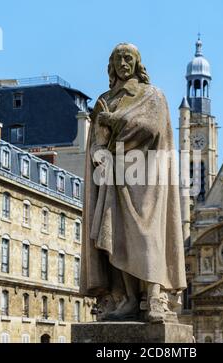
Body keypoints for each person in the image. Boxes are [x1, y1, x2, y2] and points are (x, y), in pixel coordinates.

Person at [80, 43, 186, 322]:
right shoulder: (105, 98)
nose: (123, 63)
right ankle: (126, 298)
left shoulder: (153, 95)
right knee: (116, 237)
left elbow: (150, 129)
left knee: (147, 234)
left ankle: (153, 296)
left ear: (138, 63)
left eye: (128, 58)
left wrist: (112, 120)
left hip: (145, 177)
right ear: (111, 66)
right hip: (113, 177)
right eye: (118, 58)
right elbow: (96, 140)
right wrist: (97, 153)